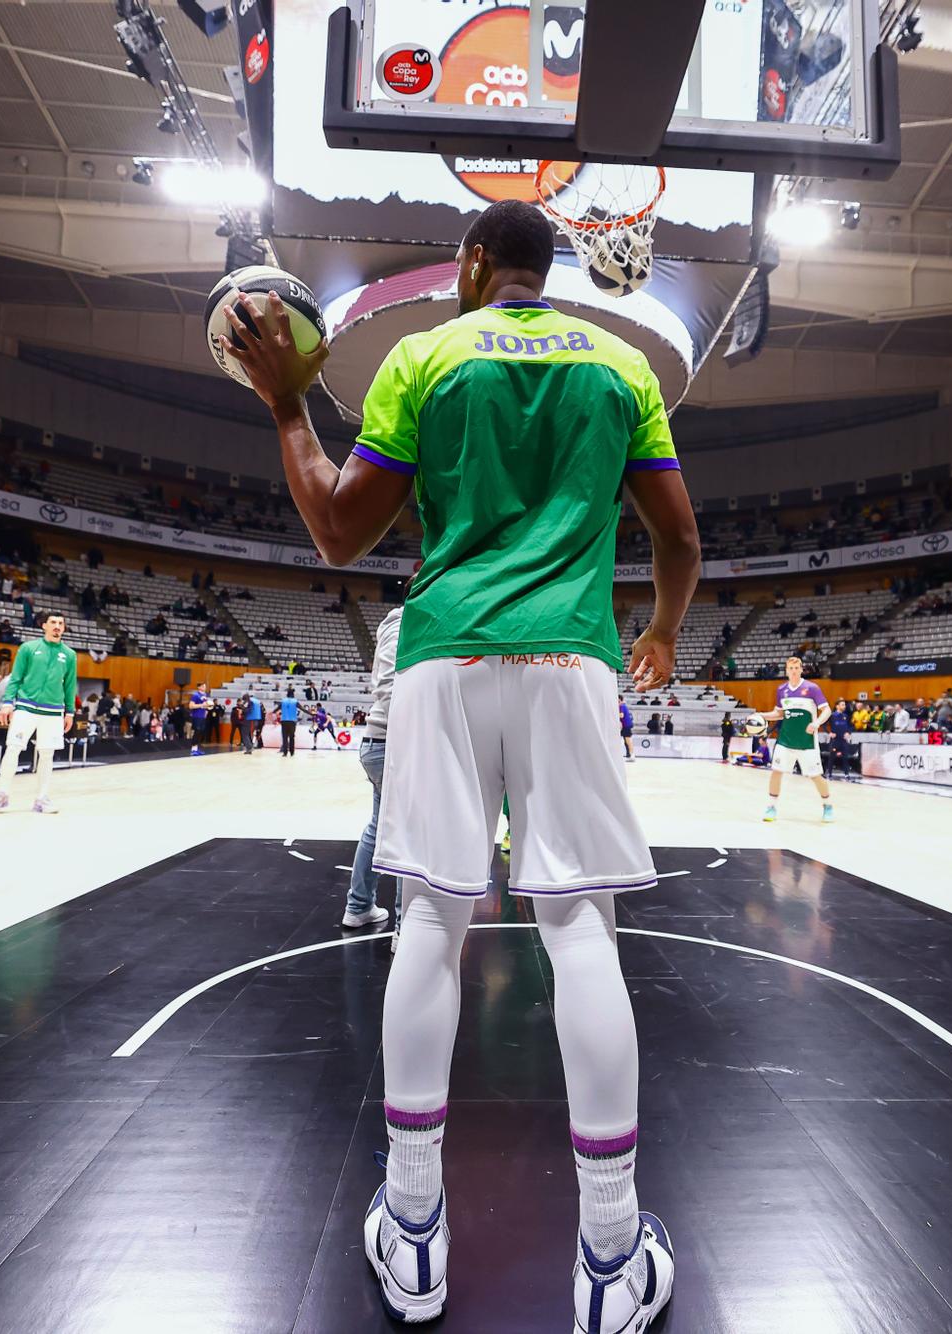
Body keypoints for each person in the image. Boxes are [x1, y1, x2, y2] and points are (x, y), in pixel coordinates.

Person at [224, 197, 694, 1329]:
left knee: (430, 923)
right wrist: (666, 629)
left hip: (440, 659)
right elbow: (677, 537)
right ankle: (609, 1252)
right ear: (549, 266)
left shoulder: (422, 355)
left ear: (475, 262)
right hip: (573, 660)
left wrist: (287, 405)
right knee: (580, 932)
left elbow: (340, 531)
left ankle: (417, 1230)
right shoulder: (621, 363)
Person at [347, 593, 407, 934]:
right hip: (393, 741)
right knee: (407, 834)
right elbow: (389, 685)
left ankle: (359, 907)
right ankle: (404, 926)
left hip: (382, 742)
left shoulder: (400, 622)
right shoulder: (401, 622)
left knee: (378, 827)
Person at [0, 612, 76, 815]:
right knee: (13, 748)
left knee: (47, 754)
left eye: (61, 623)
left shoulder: (69, 655)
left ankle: (41, 798)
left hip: (53, 712)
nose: (57, 626)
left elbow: (70, 685)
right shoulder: (28, 648)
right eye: (53, 622)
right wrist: (8, 702)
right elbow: (15, 678)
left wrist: (69, 712)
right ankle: (2, 795)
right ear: (44, 625)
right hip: (25, 707)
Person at [760, 656, 833, 823]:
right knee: (776, 772)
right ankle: (771, 807)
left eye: (796, 668)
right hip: (785, 741)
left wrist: (816, 723)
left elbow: (827, 710)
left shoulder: (812, 688)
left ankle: (827, 805)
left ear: (801, 669)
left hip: (807, 742)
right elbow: (779, 714)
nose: (793, 671)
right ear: (786, 671)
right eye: (790, 668)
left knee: (815, 776)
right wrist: (762, 715)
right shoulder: (781, 690)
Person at [279, 687, 300, 756]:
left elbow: (276, 709)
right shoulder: (295, 701)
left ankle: (285, 753)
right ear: (293, 694)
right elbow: (302, 709)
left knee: (284, 737)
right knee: (292, 737)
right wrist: (311, 714)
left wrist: (272, 712)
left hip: (284, 721)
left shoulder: (283, 701)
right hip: (292, 721)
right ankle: (292, 752)